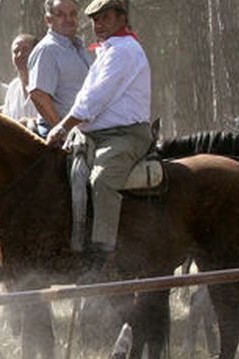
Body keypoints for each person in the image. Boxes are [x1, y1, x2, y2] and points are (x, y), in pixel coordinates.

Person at [46, 0, 151, 255]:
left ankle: (103, 254)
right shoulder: (107, 51)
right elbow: (88, 96)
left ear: (121, 19)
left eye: (105, 18)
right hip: (94, 134)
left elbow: (95, 98)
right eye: (95, 19)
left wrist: (63, 126)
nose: (99, 24)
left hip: (126, 135)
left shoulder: (124, 51)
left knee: (102, 179)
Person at [27, 0, 94, 136]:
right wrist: (63, 131)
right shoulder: (48, 50)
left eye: (73, 14)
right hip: (60, 139)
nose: (68, 19)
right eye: (61, 15)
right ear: (48, 19)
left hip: (83, 132)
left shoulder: (79, 47)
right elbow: (39, 95)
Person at [3, 33, 39, 121]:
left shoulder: (47, 84)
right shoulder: (12, 88)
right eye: (16, 51)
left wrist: (30, 123)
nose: (20, 55)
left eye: (25, 50)